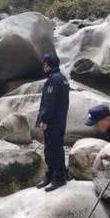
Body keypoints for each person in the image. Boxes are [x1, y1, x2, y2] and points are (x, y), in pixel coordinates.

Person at [35, 53, 70, 192]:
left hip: (52, 122)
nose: (43, 67)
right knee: (55, 148)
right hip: (61, 120)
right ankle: (50, 176)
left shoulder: (52, 81)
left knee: (53, 149)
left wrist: (43, 120)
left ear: (47, 65)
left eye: (44, 64)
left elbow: (49, 104)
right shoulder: (63, 79)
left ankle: (59, 178)